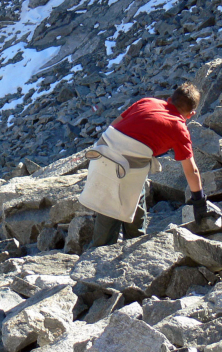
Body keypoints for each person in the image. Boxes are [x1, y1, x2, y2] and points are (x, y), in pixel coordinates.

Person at [79, 82, 207, 247]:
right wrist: (199, 201)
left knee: (135, 187)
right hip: (122, 170)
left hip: (101, 156)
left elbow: (115, 125)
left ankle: (135, 241)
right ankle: (100, 260)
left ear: (169, 99)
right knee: (109, 218)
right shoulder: (179, 128)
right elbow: (191, 171)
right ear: (191, 115)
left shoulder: (147, 101)